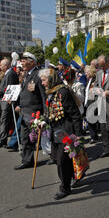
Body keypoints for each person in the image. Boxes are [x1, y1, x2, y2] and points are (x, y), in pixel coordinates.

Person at [38, 68, 83, 200]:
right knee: (60, 160)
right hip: (55, 132)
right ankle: (71, 178)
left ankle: (65, 187)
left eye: (44, 80)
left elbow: (75, 114)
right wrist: (42, 121)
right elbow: (52, 113)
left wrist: (78, 135)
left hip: (66, 132)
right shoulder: (50, 92)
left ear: (51, 79)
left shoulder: (63, 92)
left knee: (62, 162)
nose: (42, 83)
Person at [14, 52, 47, 170]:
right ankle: (27, 160)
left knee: (44, 137)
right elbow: (24, 93)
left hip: (35, 113)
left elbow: (43, 96)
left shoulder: (38, 74)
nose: (21, 62)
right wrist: (18, 104)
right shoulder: (26, 75)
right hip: (25, 112)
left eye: (24, 60)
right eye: (21, 60)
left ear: (32, 61)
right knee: (25, 138)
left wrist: (45, 113)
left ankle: (55, 156)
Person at [0, 58, 20, 149]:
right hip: (5, 100)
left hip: (8, 101)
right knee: (7, 120)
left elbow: (7, 88)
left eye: (1, 65)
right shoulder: (8, 73)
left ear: (6, 65)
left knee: (4, 120)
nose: (0, 67)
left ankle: (2, 140)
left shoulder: (10, 74)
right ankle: (6, 140)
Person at [84, 65, 100, 144]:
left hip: (93, 103)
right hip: (88, 102)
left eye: (87, 72)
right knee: (89, 120)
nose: (85, 74)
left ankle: (94, 136)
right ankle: (93, 136)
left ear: (91, 72)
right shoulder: (89, 80)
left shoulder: (95, 80)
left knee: (92, 120)